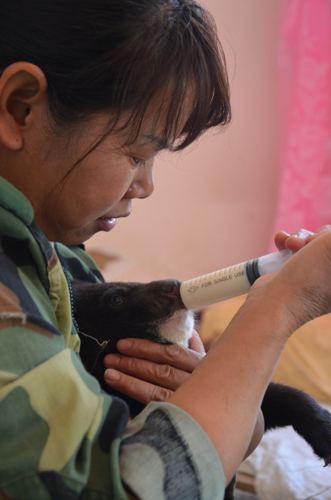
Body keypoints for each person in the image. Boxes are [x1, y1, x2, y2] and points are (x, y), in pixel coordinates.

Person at [0, 1, 331, 499]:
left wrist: (234, 413)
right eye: (136, 153)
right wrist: (278, 307)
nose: (146, 185)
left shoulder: (54, 256)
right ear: (20, 107)